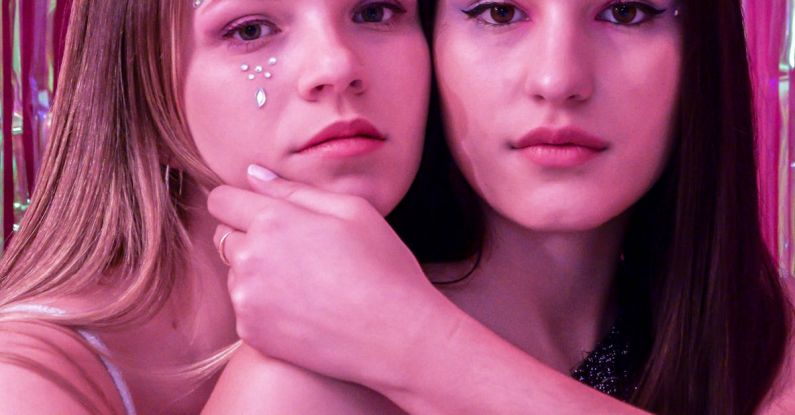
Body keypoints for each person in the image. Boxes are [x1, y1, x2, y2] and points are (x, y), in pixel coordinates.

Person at [205, 0, 795, 414]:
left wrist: (421, 349)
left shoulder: (767, 332)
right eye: (498, 11)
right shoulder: (308, 389)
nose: (558, 77)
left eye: (626, 11)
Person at [0, 0, 432, 413]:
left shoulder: (459, 311)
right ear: (143, 95)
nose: (336, 65)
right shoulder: (22, 383)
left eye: (375, 11)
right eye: (250, 29)